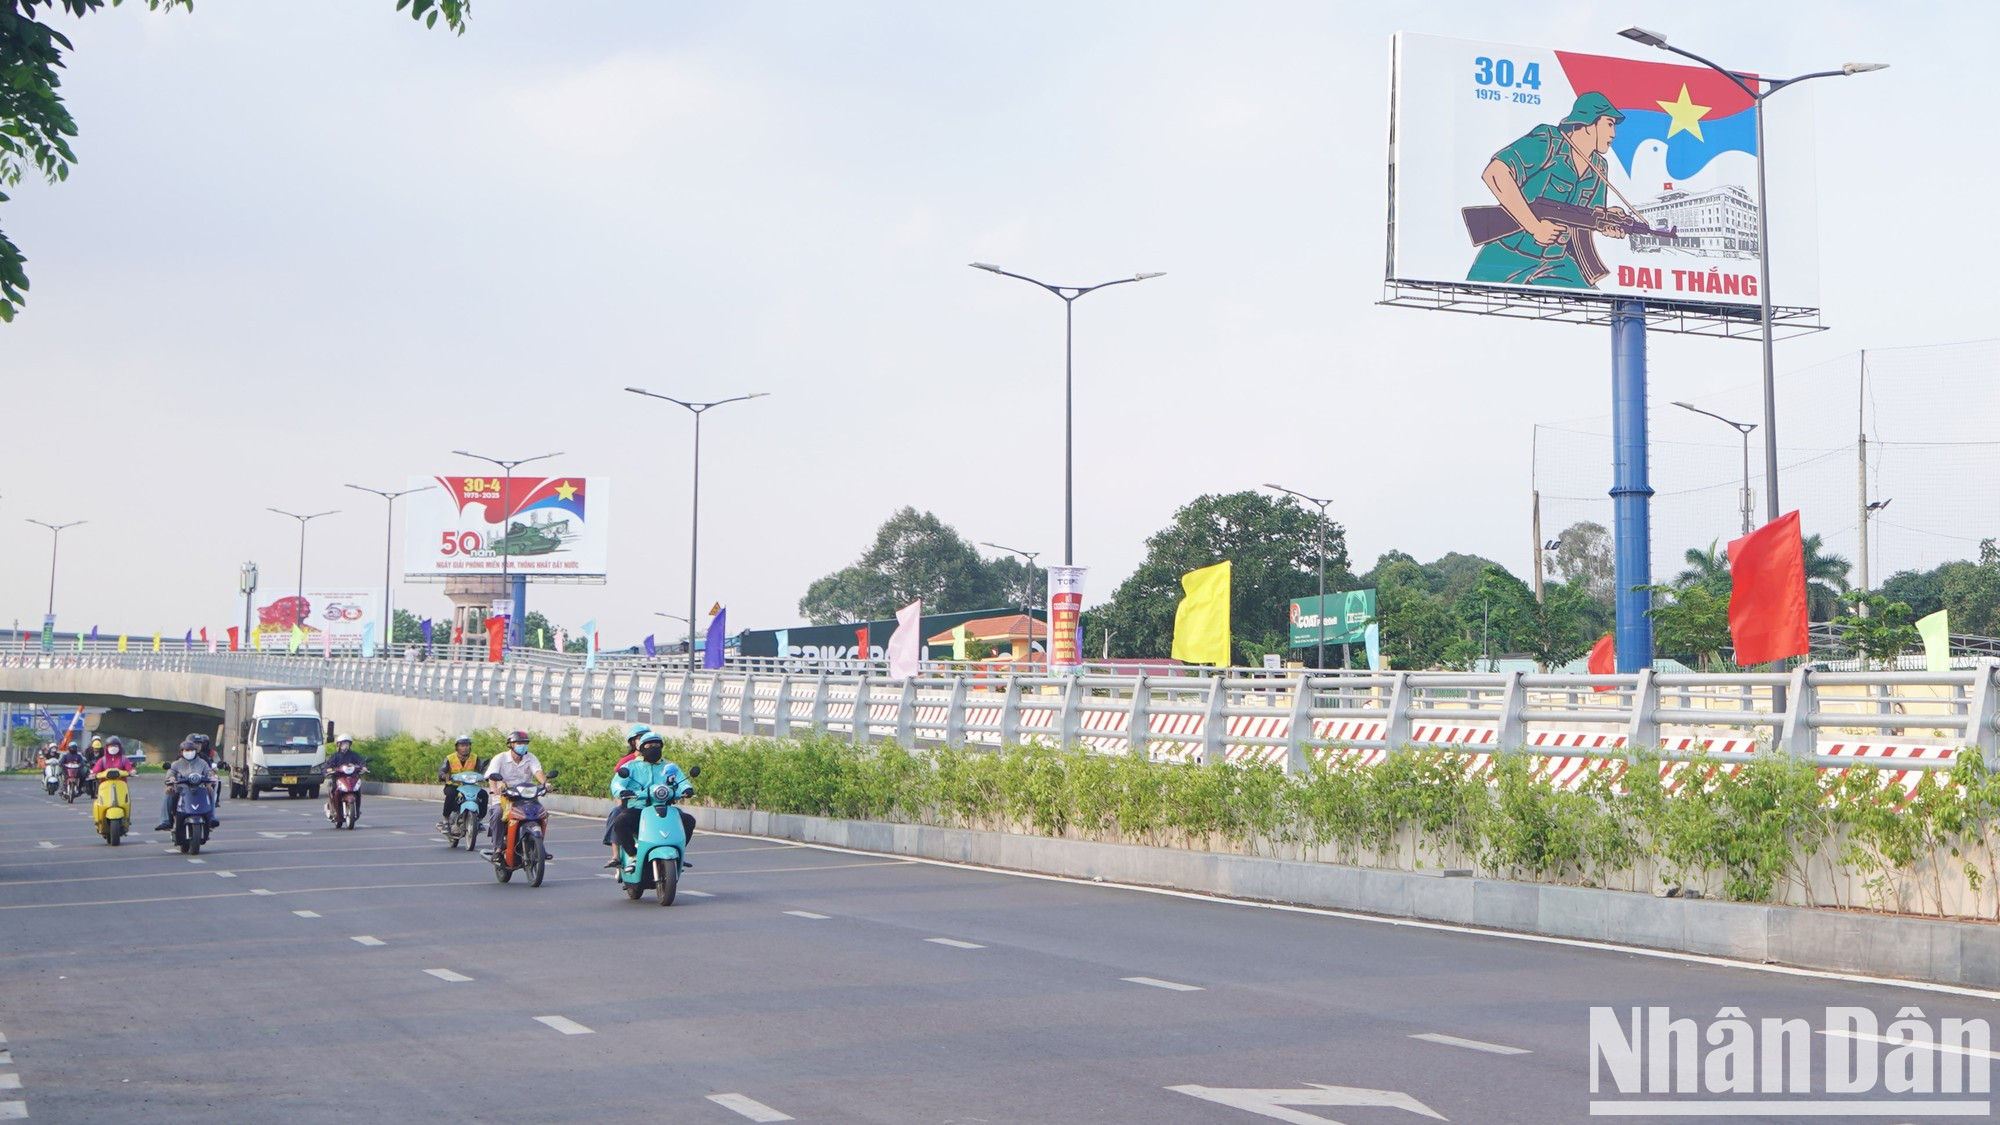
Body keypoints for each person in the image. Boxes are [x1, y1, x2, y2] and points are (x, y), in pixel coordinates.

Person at [1466, 92, 1630, 290]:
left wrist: (1607, 220)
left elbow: (1585, 220)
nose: (1613, 134)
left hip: (1557, 262)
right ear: (1588, 124)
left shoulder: (1599, 167)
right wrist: (1535, 227)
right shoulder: (1549, 141)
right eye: (1609, 124)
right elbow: (1495, 173)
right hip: (1509, 253)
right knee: (1469, 298)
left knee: (1595, 305)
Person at [608, 732, 694, 872]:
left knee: (688, 820)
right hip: (638, 809)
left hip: (664, 808)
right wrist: (623, 791)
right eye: (649, 745)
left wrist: (687, 789)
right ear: (641, 747)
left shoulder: (669, 767)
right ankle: (633, 855)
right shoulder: (631, 766)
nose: (653, 748)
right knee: (620, 822)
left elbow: (682, 781)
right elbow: (617, 783)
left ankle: (678, 852)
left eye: (657, 745)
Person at [483, 731, 549, 859]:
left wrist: (546, 784)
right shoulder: (500, 758)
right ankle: (497, 848)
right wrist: (495, 788)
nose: (523, 746)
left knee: (541, 813)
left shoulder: (531, 757)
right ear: (511, 745)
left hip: (525, 796)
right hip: (504, 796)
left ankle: (540, 846)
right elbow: (492, 776)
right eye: (519, 743)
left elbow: (538, 772)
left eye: (525, 743)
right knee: (497, 814)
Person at [602, 724, 651, 867]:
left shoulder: (658, 762)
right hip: (630, 803)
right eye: (640, 738)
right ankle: (616, 855)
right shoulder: (627, 762)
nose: (644, 741)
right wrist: (621, 801)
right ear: (633, 742)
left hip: (653, 803)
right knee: (617, 816)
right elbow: (618, 784)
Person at [156, 737, 219, 831]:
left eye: (192, 750)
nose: (189, 752)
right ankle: (166, 821)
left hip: (199, 788)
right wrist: (170, 781)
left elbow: (209, 773)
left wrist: (210, 782)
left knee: (210, 792)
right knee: (168, 793)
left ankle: (212, 818)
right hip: (181, 789)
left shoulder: (202, 763)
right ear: (181, 752)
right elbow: (170, 774)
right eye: (187, 750)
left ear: (196, 751)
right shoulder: (176, 764)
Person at [436, 735, 484, 830]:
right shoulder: (450, 758)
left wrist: (486, 775)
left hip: (470, 786)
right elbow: (442, 771)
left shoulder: (475, 758)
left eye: (467, 745)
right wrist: (444, 775)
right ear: (457, 747)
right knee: (450, 794)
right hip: (454, 785)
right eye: (462, 745)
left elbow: (482, 769)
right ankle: (446, 820)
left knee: (484, 795)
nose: (465, 748)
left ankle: (479, 820)